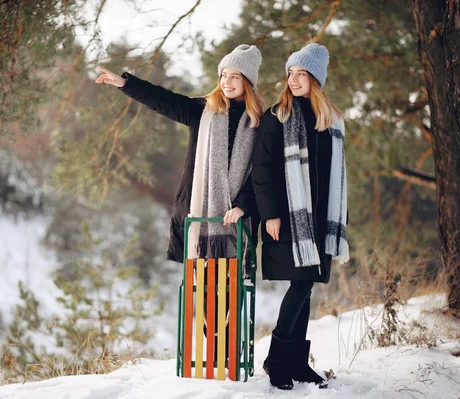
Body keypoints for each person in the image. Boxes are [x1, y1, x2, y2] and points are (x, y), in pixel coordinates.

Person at [96, 44, 264, 262]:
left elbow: (260, 172)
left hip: (237, 221)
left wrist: (243, 205)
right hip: (198, 217)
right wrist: (126, 83)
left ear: (247, 82)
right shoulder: (203, 111)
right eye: (224, 75)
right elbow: (165, 100)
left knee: (229, 290)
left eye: (235, 77)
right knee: (201, 289)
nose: (227, 82)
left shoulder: (259, 123)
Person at [252, 43, 349, 390]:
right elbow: (261, 170)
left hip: (320, 223)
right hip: (289, 220)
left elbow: (336, 178)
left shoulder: (330, 121)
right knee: (301, 285)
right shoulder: (277, 117)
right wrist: (271, 215)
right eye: (290, 73)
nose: (293, 80)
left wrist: (340, 222)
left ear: (316, 80)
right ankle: (277, 360)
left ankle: (294, 362)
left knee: (305, 288)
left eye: (301, 74)